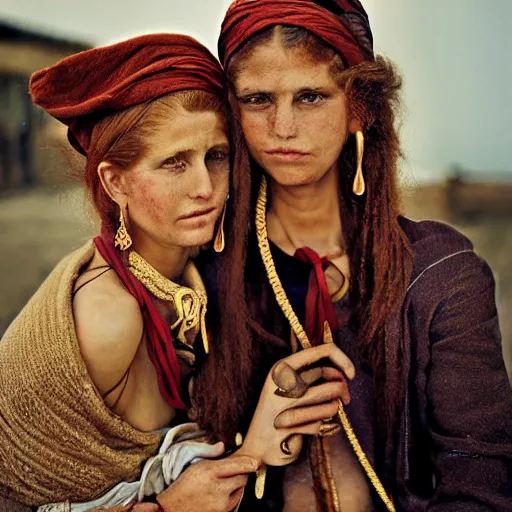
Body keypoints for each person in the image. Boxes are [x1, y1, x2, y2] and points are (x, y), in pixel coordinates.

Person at [0, 32, 353, 512]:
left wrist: (258, 439)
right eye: (174, 164)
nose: (205, 187)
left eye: (216, 156)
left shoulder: (191, 278)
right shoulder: (106, 317)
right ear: (114, 181)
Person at [193, 1, 512, 510]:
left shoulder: (441, 275)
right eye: (257, 99)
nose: (283, 126)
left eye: (311, 97)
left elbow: (481, 485)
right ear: (231, 112)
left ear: (358, 106)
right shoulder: (199, 278)